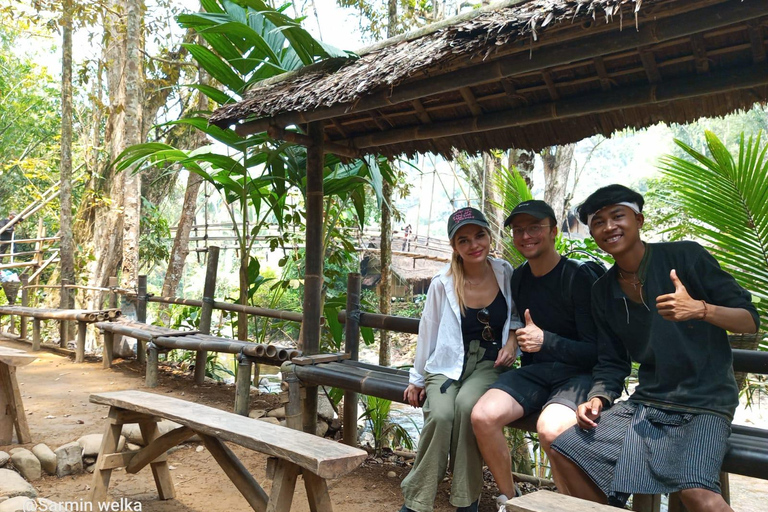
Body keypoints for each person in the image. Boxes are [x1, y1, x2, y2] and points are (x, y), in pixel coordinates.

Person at [549, 184, 759, 512]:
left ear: (639, 219)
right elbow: (611, 361)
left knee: (696, 493)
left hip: (704, 401)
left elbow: (749, 320)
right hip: (648, 402)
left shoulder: (685, 257)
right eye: (599, 222)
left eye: (618, 216)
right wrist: (597, 398)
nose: (609, 227)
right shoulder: (602, 290)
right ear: (592, 235)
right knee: (566, 449)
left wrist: (701, 309)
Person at [471, 200, 601, 509]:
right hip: (537, 372)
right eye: (519, 230)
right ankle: (511, 500)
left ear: (554, 231)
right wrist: (515, 341)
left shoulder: (579, 276)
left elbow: (598, 352)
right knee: (482, 416)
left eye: (535, 228)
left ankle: (576, 507)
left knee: (551, 430)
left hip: (578, 374)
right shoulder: (519, 277)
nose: (526, 236)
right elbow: (518, 322)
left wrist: (548, 341)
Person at [400, 207, 523, 512]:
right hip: (447, 362)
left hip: (489, 364)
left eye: (479, 235)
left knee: (468, 408)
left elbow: (518, 317)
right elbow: (427, 330)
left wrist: (511, 342)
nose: (474, 245)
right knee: (441, 415)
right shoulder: (443, 283)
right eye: (464, 240)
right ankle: (417, 500)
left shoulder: (505, 272)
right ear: (454, 246)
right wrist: (416, 379)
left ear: (489, 236)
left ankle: (466, 500)